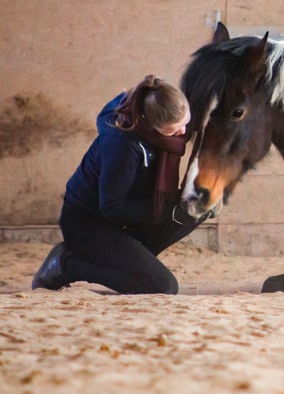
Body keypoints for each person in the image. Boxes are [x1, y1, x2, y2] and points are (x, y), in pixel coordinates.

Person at [31, 75, 206, 294]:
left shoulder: (155, 117)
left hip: (124, 221)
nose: (182, 133)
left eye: (186, 123)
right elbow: (112, 207)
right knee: (164, 286)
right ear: (151, 124)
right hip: (89, 225)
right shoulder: (122, 144)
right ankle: (67, 265)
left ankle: (130, 262)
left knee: (196, 211)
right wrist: (164, 212)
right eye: (173, 130)